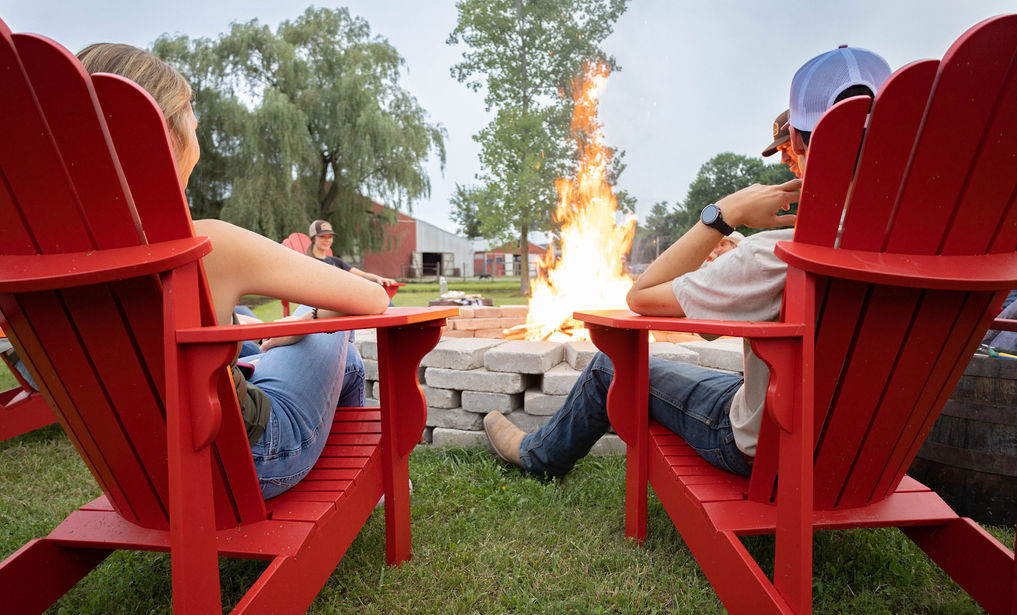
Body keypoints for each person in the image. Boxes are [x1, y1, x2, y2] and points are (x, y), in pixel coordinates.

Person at [484, 45, 891, 478]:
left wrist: (724, 214)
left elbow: (640, 297)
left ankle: (537, 456)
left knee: (607, 367)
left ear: (797, 142)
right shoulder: (912, 248)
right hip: (865, 451)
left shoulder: (775, 256)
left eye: (789, 151)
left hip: (770, 446)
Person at [77, 43, 390, 498]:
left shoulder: (44, 263)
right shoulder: (207, 244)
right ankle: (372, 486)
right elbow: (372, 300)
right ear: (169, 136)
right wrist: (305, 321)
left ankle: (366, 480)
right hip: (250, 459)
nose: (197, 129)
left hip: (130, 467)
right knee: (333, 340)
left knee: (284, 340)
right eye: (192, 116)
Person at [307, 220, 398, 289]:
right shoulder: (308, 262)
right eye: (322, 236)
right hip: (319, 301)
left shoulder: (336, 261)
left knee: (380, 293)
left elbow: (363, 275)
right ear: (313, 238)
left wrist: (379, 278)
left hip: (339, 298)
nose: (327, 240)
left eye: (330, 237)